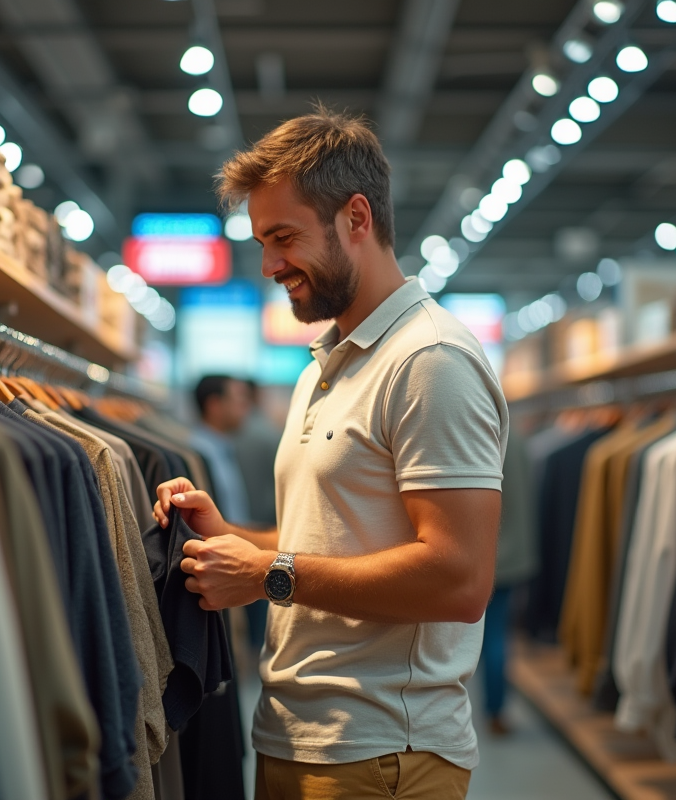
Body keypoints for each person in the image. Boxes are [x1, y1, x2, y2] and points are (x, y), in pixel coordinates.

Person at [152, 107, 509, 800]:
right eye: (261, 242)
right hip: (302, 737)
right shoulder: (328, 364)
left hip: (380, 753)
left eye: (284, 237)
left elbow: (460, 580)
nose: (270, 265)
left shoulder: (430, 360)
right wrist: (231, 542)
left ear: (356, 218)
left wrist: (268, 576)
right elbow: (331, 541)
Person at [479, 423, 540, 736]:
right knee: (498, 637)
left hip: (479, 556)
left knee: (475, 638)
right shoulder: (518, 440)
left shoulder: (475, 436)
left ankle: (481, 707)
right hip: (513, 556)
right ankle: (496, 710)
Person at [233, 379, 284, 651]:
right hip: (266, 524)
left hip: (241, 524)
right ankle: (256, 646)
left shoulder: (237, 433)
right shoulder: (268, 433)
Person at [189, 374, 253, 526]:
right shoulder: (198, 456)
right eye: (239, 400)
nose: (246, 408)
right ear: (214, 405)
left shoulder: (223, 448)